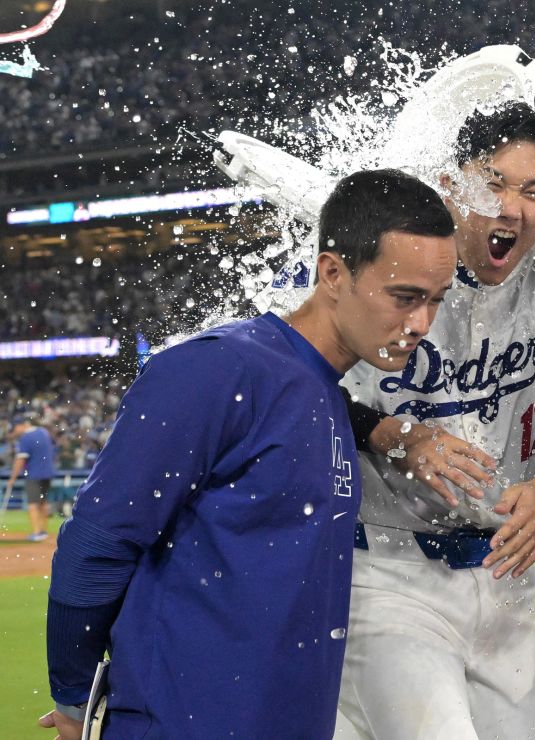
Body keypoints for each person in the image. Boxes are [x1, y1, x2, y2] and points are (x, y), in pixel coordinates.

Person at [40, 169, 457, 740]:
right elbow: (95, 546)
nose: (421, 324)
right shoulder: (215, 370)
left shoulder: (327, 397)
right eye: (404, 297)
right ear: (332, 273)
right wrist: (72, 699)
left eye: (436, 300)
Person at [337, 103, 535, 739]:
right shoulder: (388, 263)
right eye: (493, 182)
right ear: (452, 184)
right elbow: (289, 382)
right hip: (389, 571)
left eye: (534, 190)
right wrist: (392, 434)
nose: (513, 207)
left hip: (506, 570)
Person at [5, 415, 55, 541]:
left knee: (33, 504)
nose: (15, 432)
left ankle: (37, 533)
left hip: (34, 474)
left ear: (20, 425)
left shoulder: (26, 437)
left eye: (15, 429)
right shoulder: (43, 432)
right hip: (48, 473)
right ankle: (44, 531)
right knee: (43, 502)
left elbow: (20, 460)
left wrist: (12, 478)